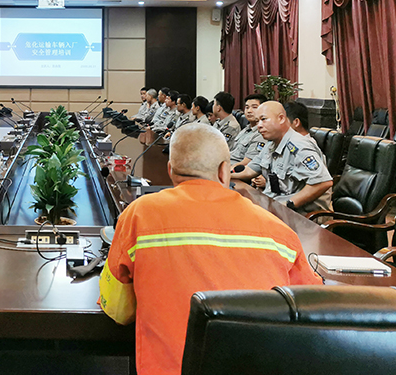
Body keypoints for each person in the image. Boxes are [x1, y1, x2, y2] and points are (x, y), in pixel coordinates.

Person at [99, 123, 322, 375]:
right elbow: (311, 310)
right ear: (224, 171)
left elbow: (118, 310)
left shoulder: (139, 214)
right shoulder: (279, 232)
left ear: (170, 170)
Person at [232, 101, 333, 213]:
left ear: (281, 118)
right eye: (257, 121)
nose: (259, 125)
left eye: (263, 119)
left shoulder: (298, 146)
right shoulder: (272, 144)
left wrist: (288, 204)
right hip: (271, 204)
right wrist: (224, 174)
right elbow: (249, 170)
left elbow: (323, 182)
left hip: (300, 215)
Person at [230, 93, 267, 167]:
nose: (249, 111)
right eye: (247, 107)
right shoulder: (245, 130)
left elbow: (247, 163)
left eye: (254, 107)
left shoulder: (262, 133)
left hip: (235, 169)